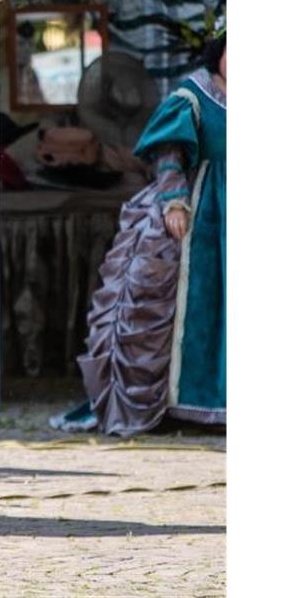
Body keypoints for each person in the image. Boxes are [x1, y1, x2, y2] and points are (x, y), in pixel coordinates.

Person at [52, 26, 227, 435]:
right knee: (197, 305)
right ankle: (185, 402)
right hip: (203, 212)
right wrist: (174, 202)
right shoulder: (193, 97)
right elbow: (169, 153)